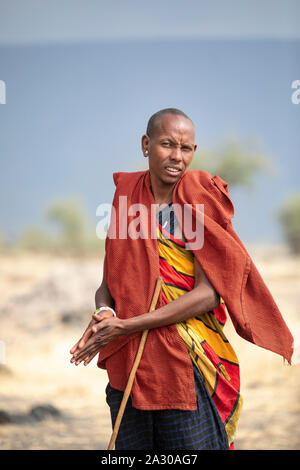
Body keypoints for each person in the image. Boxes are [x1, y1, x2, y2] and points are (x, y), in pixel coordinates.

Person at [70, 108, 293, 450]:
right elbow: (108, 285)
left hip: (185, 358)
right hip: (129, 360)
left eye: (186, 148)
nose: (177, 156)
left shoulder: (196, 200)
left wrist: (130, 325)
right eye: (166, 144)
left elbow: (208, 295)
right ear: (146, 145)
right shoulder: (127, 196)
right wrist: (106, 316)